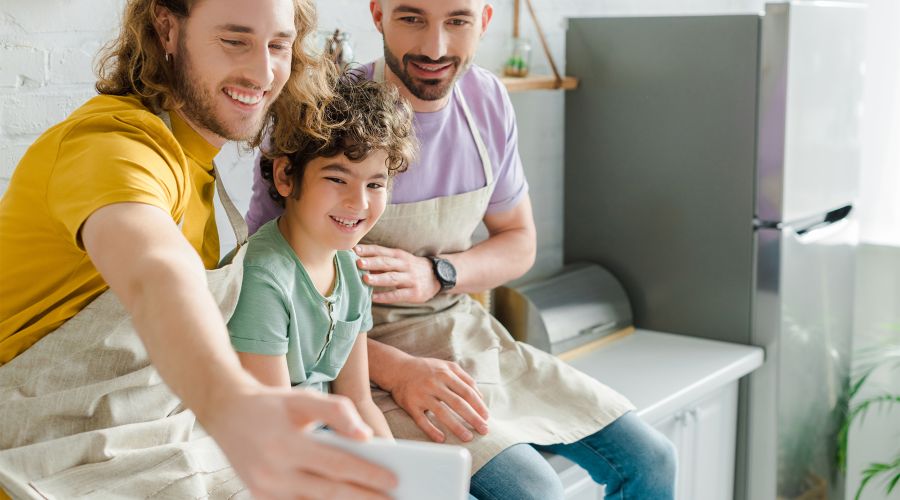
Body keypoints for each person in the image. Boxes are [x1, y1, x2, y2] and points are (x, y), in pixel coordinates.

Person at [246, 0, 678, 498]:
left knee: (650, 459)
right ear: (378, 14)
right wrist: (398, 371)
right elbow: (277, 287)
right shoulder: (322, 112)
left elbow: (520, 242)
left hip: (465, 333)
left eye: (457, 21)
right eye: (412, 18)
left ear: (484, 22)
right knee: (533, 490)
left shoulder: (488, 100)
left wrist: (438, 273)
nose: (435, 47)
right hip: (360, 353)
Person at [0, 0, 396, 498]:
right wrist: (232, 404)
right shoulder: (111, 147)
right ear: (167, 29)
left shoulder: (199, 165)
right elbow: (157, 274)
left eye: (278, 45)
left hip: (142, 446)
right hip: (36, 462)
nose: (262, 72)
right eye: (235, 40)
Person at [228, 71, 416, 441]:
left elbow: (359, 401)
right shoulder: (263, 278)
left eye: (375, 184)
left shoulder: (351, 269)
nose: (358, 202)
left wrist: (394, 470)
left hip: (325, 437)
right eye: (337, 179)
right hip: (274, 446)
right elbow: (276, 428)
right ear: (285, 176)